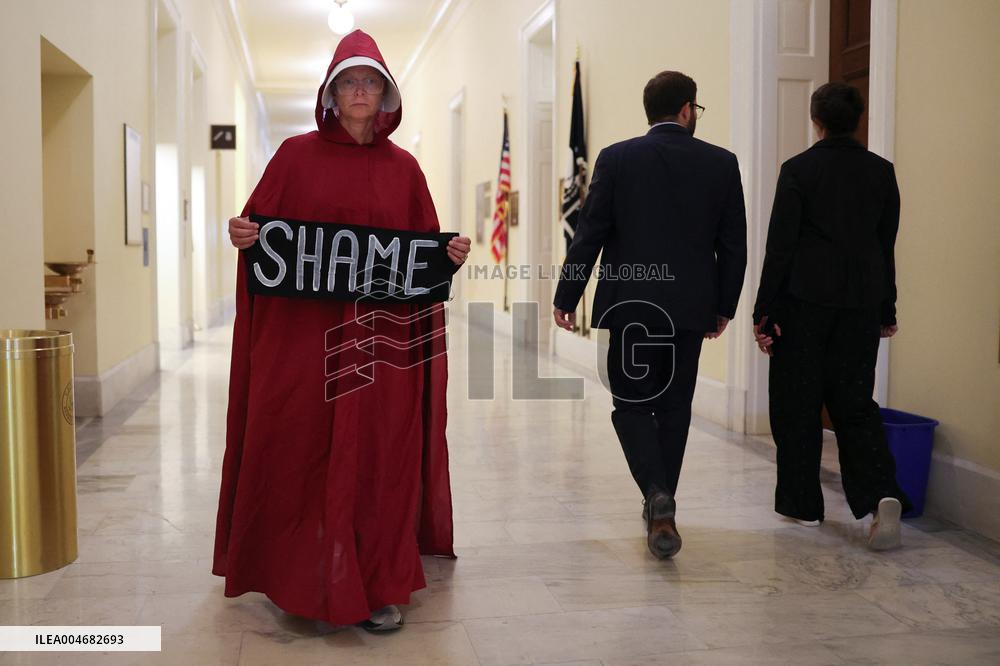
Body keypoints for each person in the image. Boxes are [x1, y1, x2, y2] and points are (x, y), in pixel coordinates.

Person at [214, 29, 472, 632]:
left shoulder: (405, 170)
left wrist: (449, 255)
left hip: (381, 349)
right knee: (299, 446)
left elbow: (420, 253)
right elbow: (259, 231)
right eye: (349, 82)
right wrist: (244, 237)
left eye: (370, 81)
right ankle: (295, 574)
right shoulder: (293, 157)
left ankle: (376, 580)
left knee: (380, 455)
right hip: (303, 346)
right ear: (331, 94)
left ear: (385, 95)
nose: (360, 91)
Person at [553, 71, 747, 559]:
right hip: (689, 309)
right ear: (686, 109)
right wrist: (723, 305)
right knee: (676, 405)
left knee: (634, 404)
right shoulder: (721, 164)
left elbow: (589, 233)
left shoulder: (617, 159)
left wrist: (567, 294)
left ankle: (657, 495)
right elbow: (733, 245)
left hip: (632, 307)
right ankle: (661, 503)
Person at [752, 81, 910, 551]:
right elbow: (885, 247)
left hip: (803, 304)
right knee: (856, 406)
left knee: (796, 403)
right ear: (858, 119)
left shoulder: (798, 170)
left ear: (815, 120)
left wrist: (765, 311)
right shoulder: (882, 172)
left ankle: (803, 505)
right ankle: (881, 494)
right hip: (860, 304)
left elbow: (781, 246)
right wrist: (887, 308)